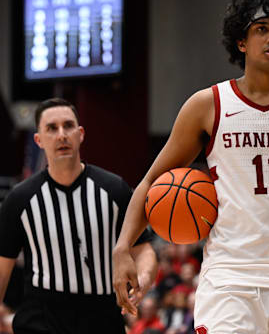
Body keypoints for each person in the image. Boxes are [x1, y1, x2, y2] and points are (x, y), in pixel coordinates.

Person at [112, 0, 269, 333]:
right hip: (231, 278)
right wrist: (123, 247)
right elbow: (152, 181)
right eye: (262, 29)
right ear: (241, 42)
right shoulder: (207, 105)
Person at [0, 98, 157, 334]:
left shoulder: (114, 189)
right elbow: (3, 266)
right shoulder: (19, 199)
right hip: (40, 318)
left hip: (102, 316)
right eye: (52, 128)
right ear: (38, 139)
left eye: (68, 126)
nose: (62, 134)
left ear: (80, 133)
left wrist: (144, 278)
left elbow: (143, 249)